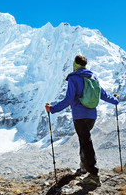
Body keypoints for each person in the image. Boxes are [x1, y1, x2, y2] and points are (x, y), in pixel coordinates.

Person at [45, 54, 119, 186]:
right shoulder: (93, 77)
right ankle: (84, 167)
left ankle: (94, 175)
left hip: (79, 116)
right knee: (84, 139)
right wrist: (115, 101)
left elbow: (68, 99)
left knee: (86, 141)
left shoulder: (73, 78)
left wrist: (53, 109)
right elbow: (103, 94)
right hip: (92, 116)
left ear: (75, 65)